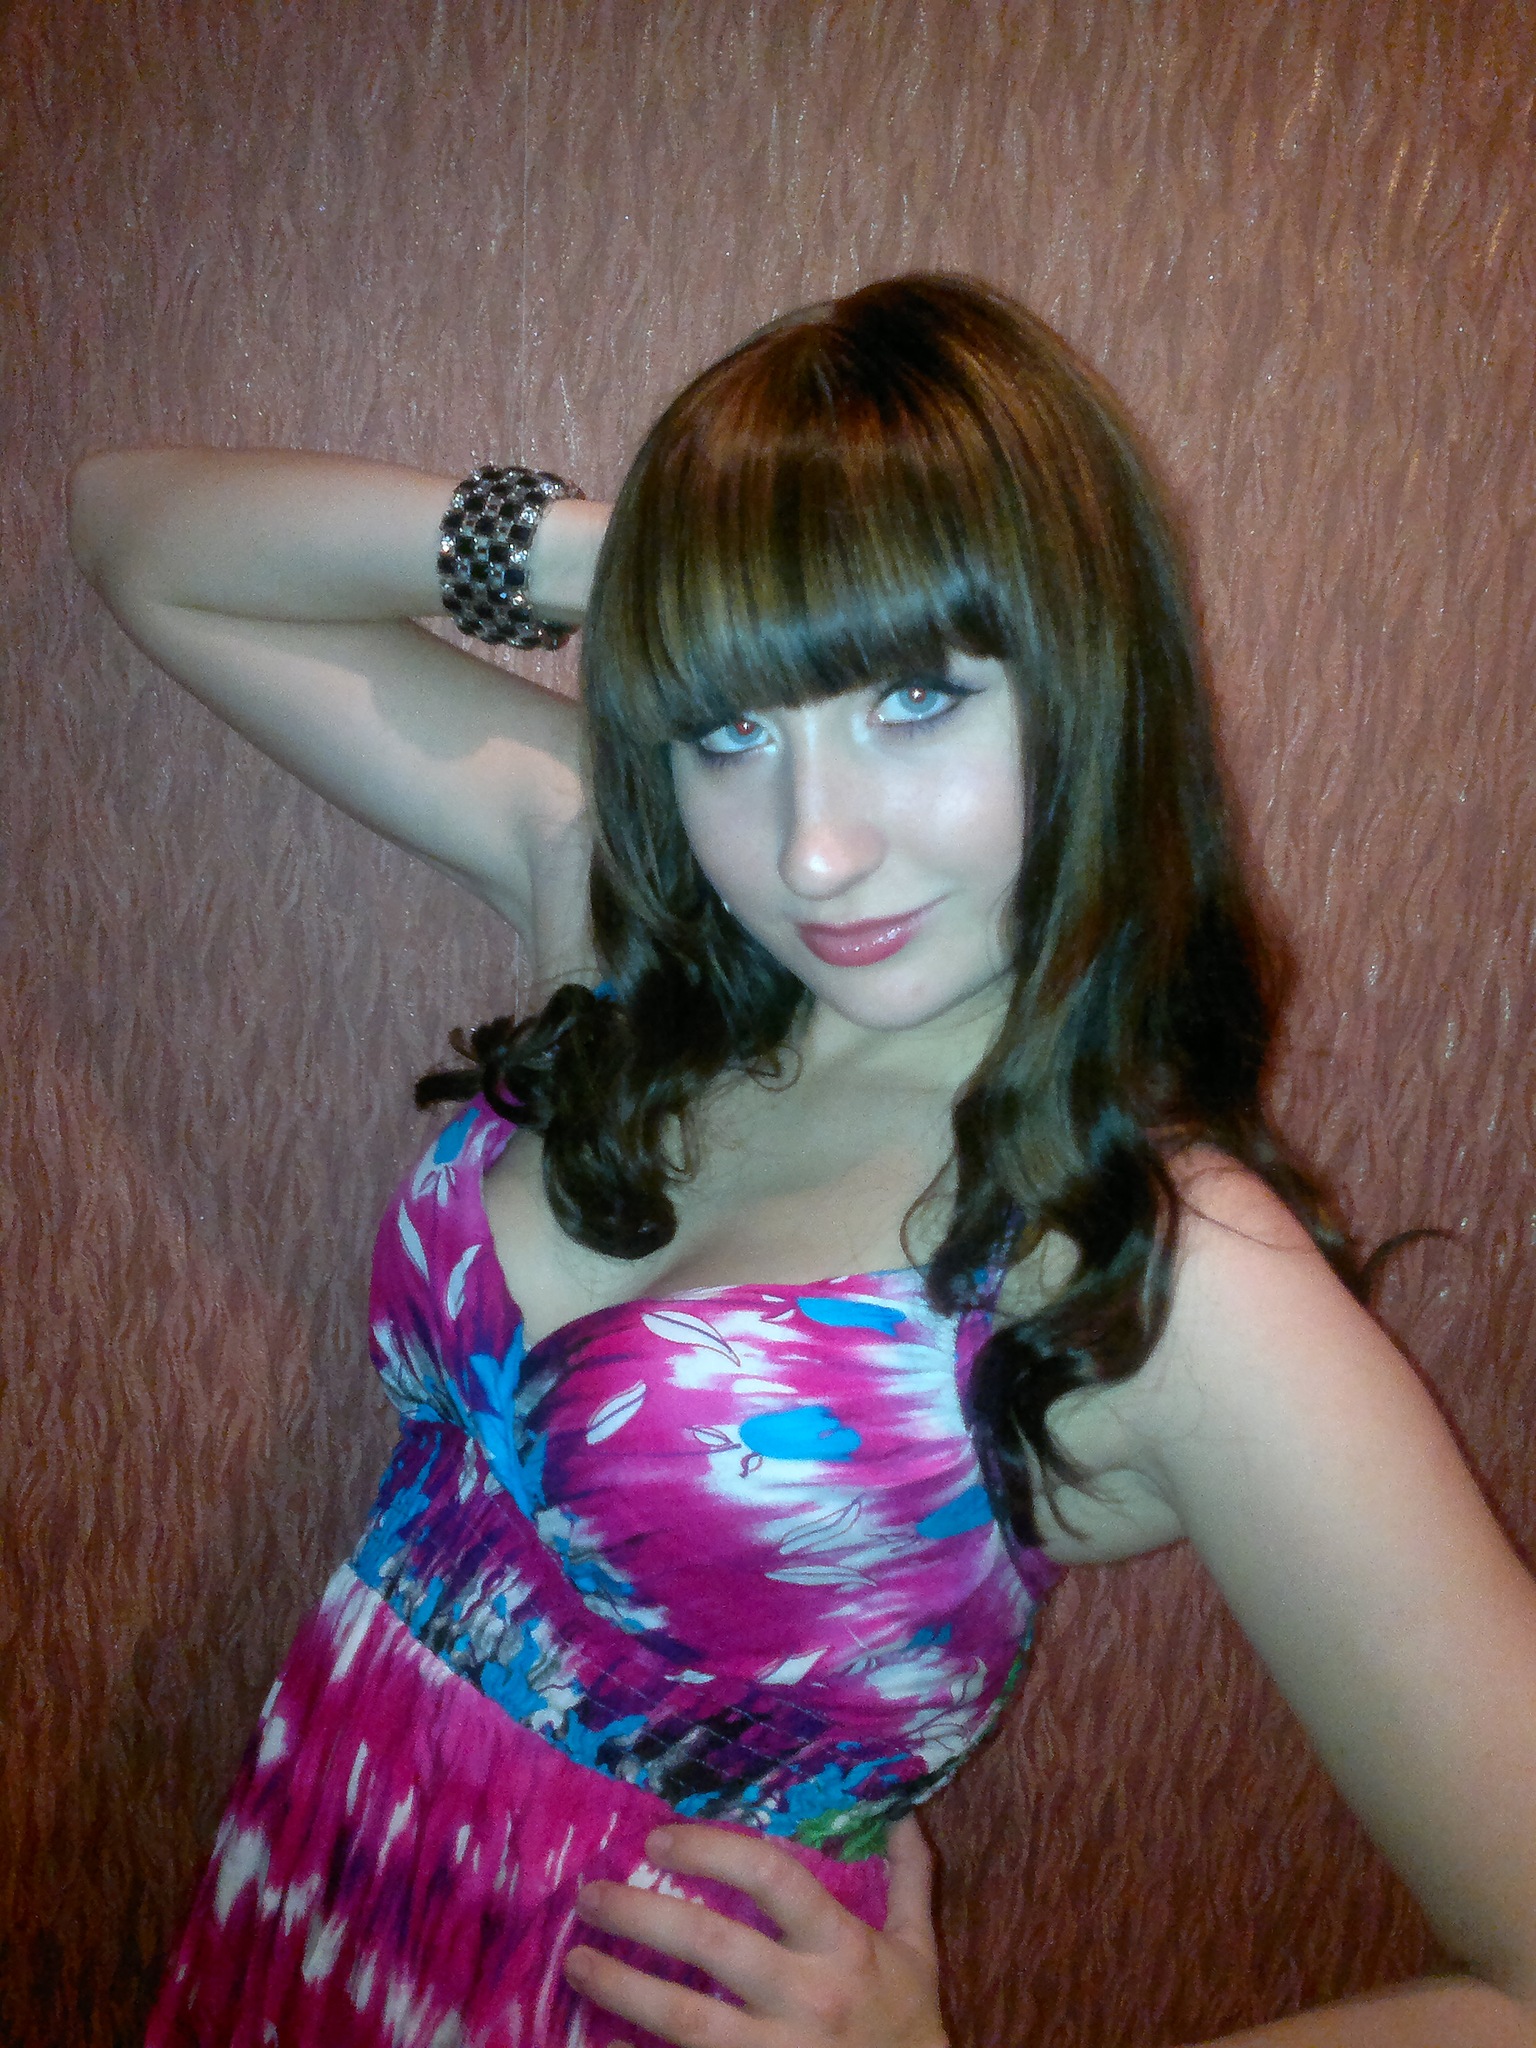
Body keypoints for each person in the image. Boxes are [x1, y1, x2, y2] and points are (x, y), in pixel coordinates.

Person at [69, 275, 1536, 2048]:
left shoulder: (1159, 1263)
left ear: (1086, 677)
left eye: (915, 696)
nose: (815, 850)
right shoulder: (633, 932)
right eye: (736, 729)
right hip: (291, 1926)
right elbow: (143, 534)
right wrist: (671, 576)